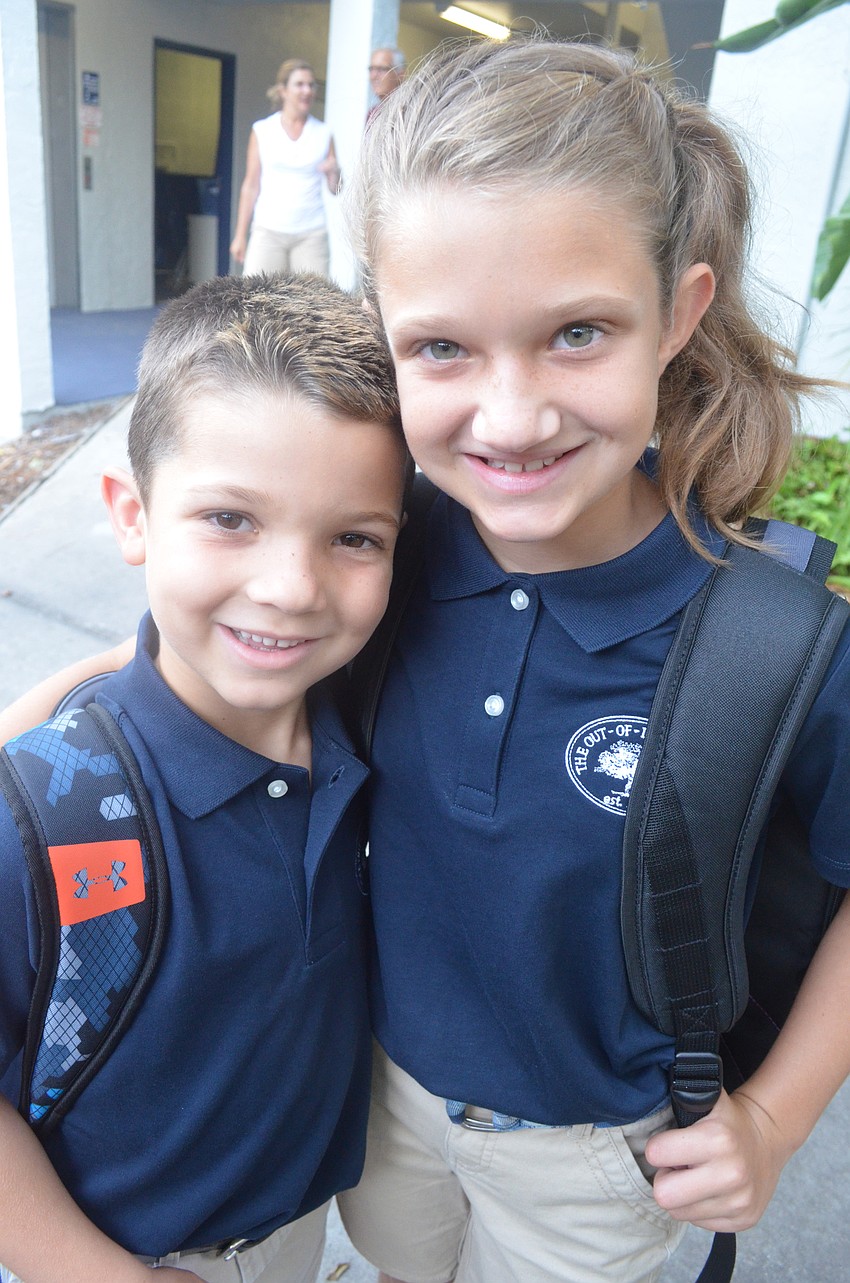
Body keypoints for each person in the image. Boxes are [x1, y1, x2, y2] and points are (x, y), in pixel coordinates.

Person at [4, 36, 850, 1283]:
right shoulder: (380, 548)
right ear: (387, 334)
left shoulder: (774, 645)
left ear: (678, 313)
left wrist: (775, 1115)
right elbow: (213, 652)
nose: (510, 417)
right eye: (443, 349)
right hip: (379, 1117)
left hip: (595, 1155)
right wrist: (49, 725)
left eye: (575, 332)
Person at [0, 272, 408, 1283]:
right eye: (230, 517)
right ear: (132, 515)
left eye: (354, 536)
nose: (289, 587)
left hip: (294, 1234)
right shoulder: (38, 815)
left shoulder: (374, 737)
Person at [229, 60, 340, 277]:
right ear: (283, 91)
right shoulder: (262, 130)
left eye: (311, 85)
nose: (307, 90)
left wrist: (334, 171)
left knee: (313, 305)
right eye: (299, 84)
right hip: (268, 231)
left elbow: (335, 188)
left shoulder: (324, 133)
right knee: (256, 301)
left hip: (311, 234)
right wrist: (240, 235)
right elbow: (251, 185)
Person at [366, 47, 406, 125]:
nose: (374, 76)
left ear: (400, 75)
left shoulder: (408, 110)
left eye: (381, 69)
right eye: (371, 69)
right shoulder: (372, 114)